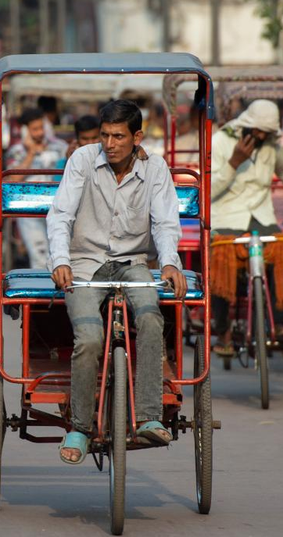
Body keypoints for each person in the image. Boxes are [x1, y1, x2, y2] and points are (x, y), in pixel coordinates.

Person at [47, 99, 187, 464]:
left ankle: (148, 415)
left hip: (133, 263)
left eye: (118, 137)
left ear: (137, 137)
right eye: (105, 136)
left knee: (152, 319)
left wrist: (170, 263)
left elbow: (165, 223)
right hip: (84, 264)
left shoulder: (155, 168)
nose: (109, 144)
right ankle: (79, 426)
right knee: (90, 338)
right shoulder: (82, 160)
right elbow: (61, 214)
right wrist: (60, 260)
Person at [211, 99, 283, 354]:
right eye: (258, 131)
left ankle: (281, 322)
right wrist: (233, 162)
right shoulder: (220, 142)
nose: (261, 136)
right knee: (220, 257)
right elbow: (209, 191)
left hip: (261, 216)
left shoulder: (271, 145)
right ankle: (223, 331)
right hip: (227, 215)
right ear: (248, 125)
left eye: (266, 132)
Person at [6, 107, 68, 269]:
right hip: (28, 209)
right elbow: (13, 179)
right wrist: (31, 153)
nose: (40, 133)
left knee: (58, 253)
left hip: (58, 207)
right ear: (25, 130)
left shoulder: (60, 147)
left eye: (41, 127)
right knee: (38, 254)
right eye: (35, 129)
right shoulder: (17, 151)